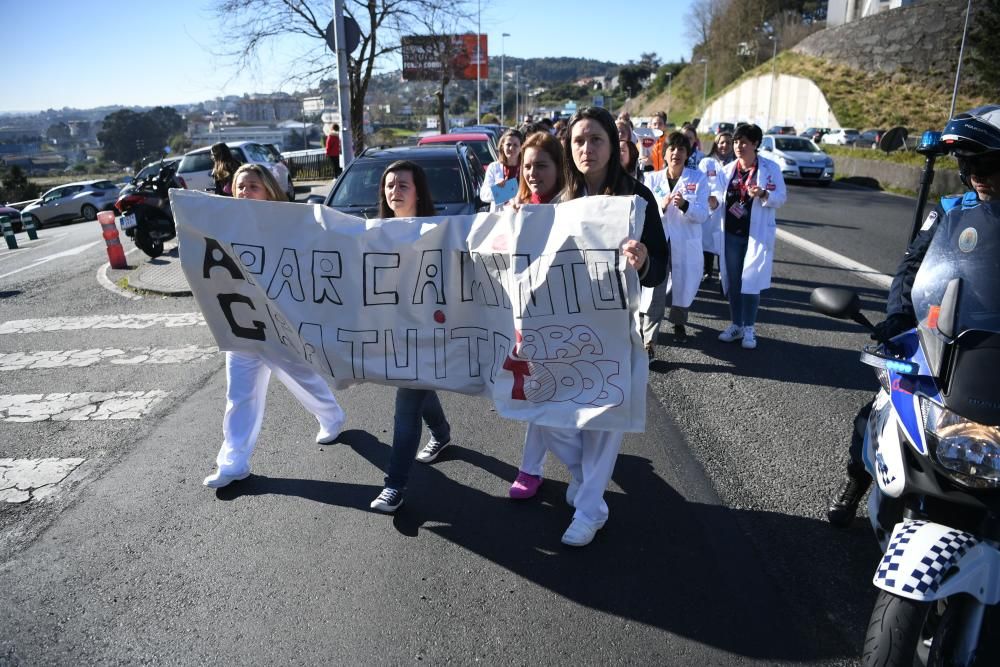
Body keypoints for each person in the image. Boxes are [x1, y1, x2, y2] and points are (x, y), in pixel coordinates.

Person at [827, 104, 1000, 526]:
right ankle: (855, 484)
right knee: (883, 407)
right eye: (969, 161)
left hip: (994, 343)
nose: (977, 171)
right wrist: (899, 317)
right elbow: (911, 268)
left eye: (989, 162)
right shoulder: (950, 209)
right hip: (945, 334)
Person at [520, 107, 667, 547]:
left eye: (596, 139)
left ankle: (587, 512)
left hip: (613, 331)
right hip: (564, 332)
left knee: (603, 425)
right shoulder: (563, 201)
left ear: (614, 145)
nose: (587, 148)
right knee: (548, 414)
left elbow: (660, 268)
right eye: (579, 140)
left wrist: (642, 262)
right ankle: (591, 492)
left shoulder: (637, 200)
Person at [203, 163, 346, 488]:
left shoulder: (288, 224)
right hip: (240, 325)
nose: (244, 191)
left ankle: (331, 416)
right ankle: (233, 462)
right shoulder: (224, 223)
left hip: (280, 324)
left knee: (303, 379)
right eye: (240, 186)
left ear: (269, 189)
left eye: (253, 185)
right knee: (239, 395)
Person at [370, 160, 454, 513]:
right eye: (389, 185)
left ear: (419, 191)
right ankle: (442, 432)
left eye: (403, 184)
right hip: (396, 332)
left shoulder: (439, 230)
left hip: (428, 332)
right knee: (419, 386)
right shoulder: (373, 233)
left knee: (406, 406)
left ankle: (395, 485)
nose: (394, 191)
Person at [505, 132, 567, 500]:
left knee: (552, 397)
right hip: (529, 319)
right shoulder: (518, 208)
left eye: (541, 165)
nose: (532, 173)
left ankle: (575, 469)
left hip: (567, 319)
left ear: (559, 168)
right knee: (539, 395)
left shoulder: (573, 206)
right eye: (527, 166)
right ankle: (531, 469)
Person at [716, 123, 787, 350]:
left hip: (756, 234)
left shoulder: (770, 168)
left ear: (756, 144)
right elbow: (718, 196)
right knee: (734, 281)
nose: (738, 146)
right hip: (731, 234)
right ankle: (736, 324)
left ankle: (749, 327)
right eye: (736, 142)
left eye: (744, 142)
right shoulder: (728, 170)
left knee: (752, 281)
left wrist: (765, 193)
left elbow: (781, 197)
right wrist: (712, 201)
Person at [641, 131, 709, 350]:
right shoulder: (652, 179)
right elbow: (645, 212)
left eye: (681, 149)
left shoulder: (698, 179)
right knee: (655, 289)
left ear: (687, 153)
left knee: (683, 284)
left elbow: (703, 214)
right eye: (672, 148)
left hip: (684, 241)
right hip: (660, 242)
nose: (676, 153)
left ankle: (679, 323)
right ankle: (650, 338)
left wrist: (685, 206)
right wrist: (662, 205)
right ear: (665, 152)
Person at [698, 131, 735, 281]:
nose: (724, 145)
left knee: (724, 243)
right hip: (710, 207)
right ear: (716, 144)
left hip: (729, 209)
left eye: (728, 142)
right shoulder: (707, 162)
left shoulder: (736, 164)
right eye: (721, 142)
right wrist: (709, 197)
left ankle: (723, 273)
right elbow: (701, 182)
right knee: (707, 241)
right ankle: (707, 271)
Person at [479, 129, 524, 211]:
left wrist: (506, 190)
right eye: (508, 144)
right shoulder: (494, 167)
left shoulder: (525, 168)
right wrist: (498, 188)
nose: (511, 148)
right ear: (502, 146)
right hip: (499, 218)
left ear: (521, 147)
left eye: (515, 145)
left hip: (521, 216)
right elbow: (483, 195)